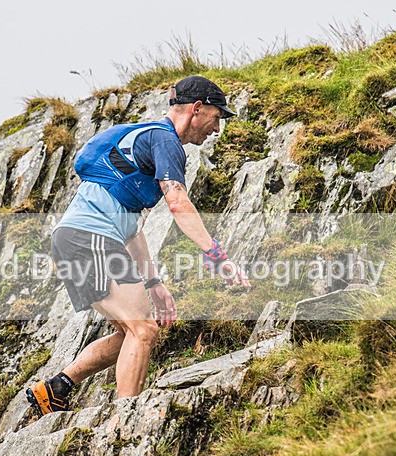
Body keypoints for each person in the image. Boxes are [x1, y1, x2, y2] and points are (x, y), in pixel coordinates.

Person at [26, 75, 251, 416]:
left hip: (79, 238)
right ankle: (124, 420)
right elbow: (177, 202)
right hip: (90, 239)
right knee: (143, 329)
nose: (217, 129)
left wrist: (153, 283)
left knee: (129, 332)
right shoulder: (165, 141)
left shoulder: (147, 139)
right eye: (217, 117)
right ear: (197, 108)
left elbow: (132, 228)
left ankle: (56, 387)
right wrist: (218, 256)